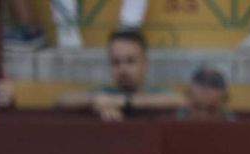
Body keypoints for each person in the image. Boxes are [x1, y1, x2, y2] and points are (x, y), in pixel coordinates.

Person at [53, 29, 181, 122]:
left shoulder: (157, 92)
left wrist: (121, 101)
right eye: (116, 62)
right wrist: (96, 100)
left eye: (130, 61)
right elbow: (62, 100)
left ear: (145, 63)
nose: (122, 69)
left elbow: (180, 100)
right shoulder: (104, 93)